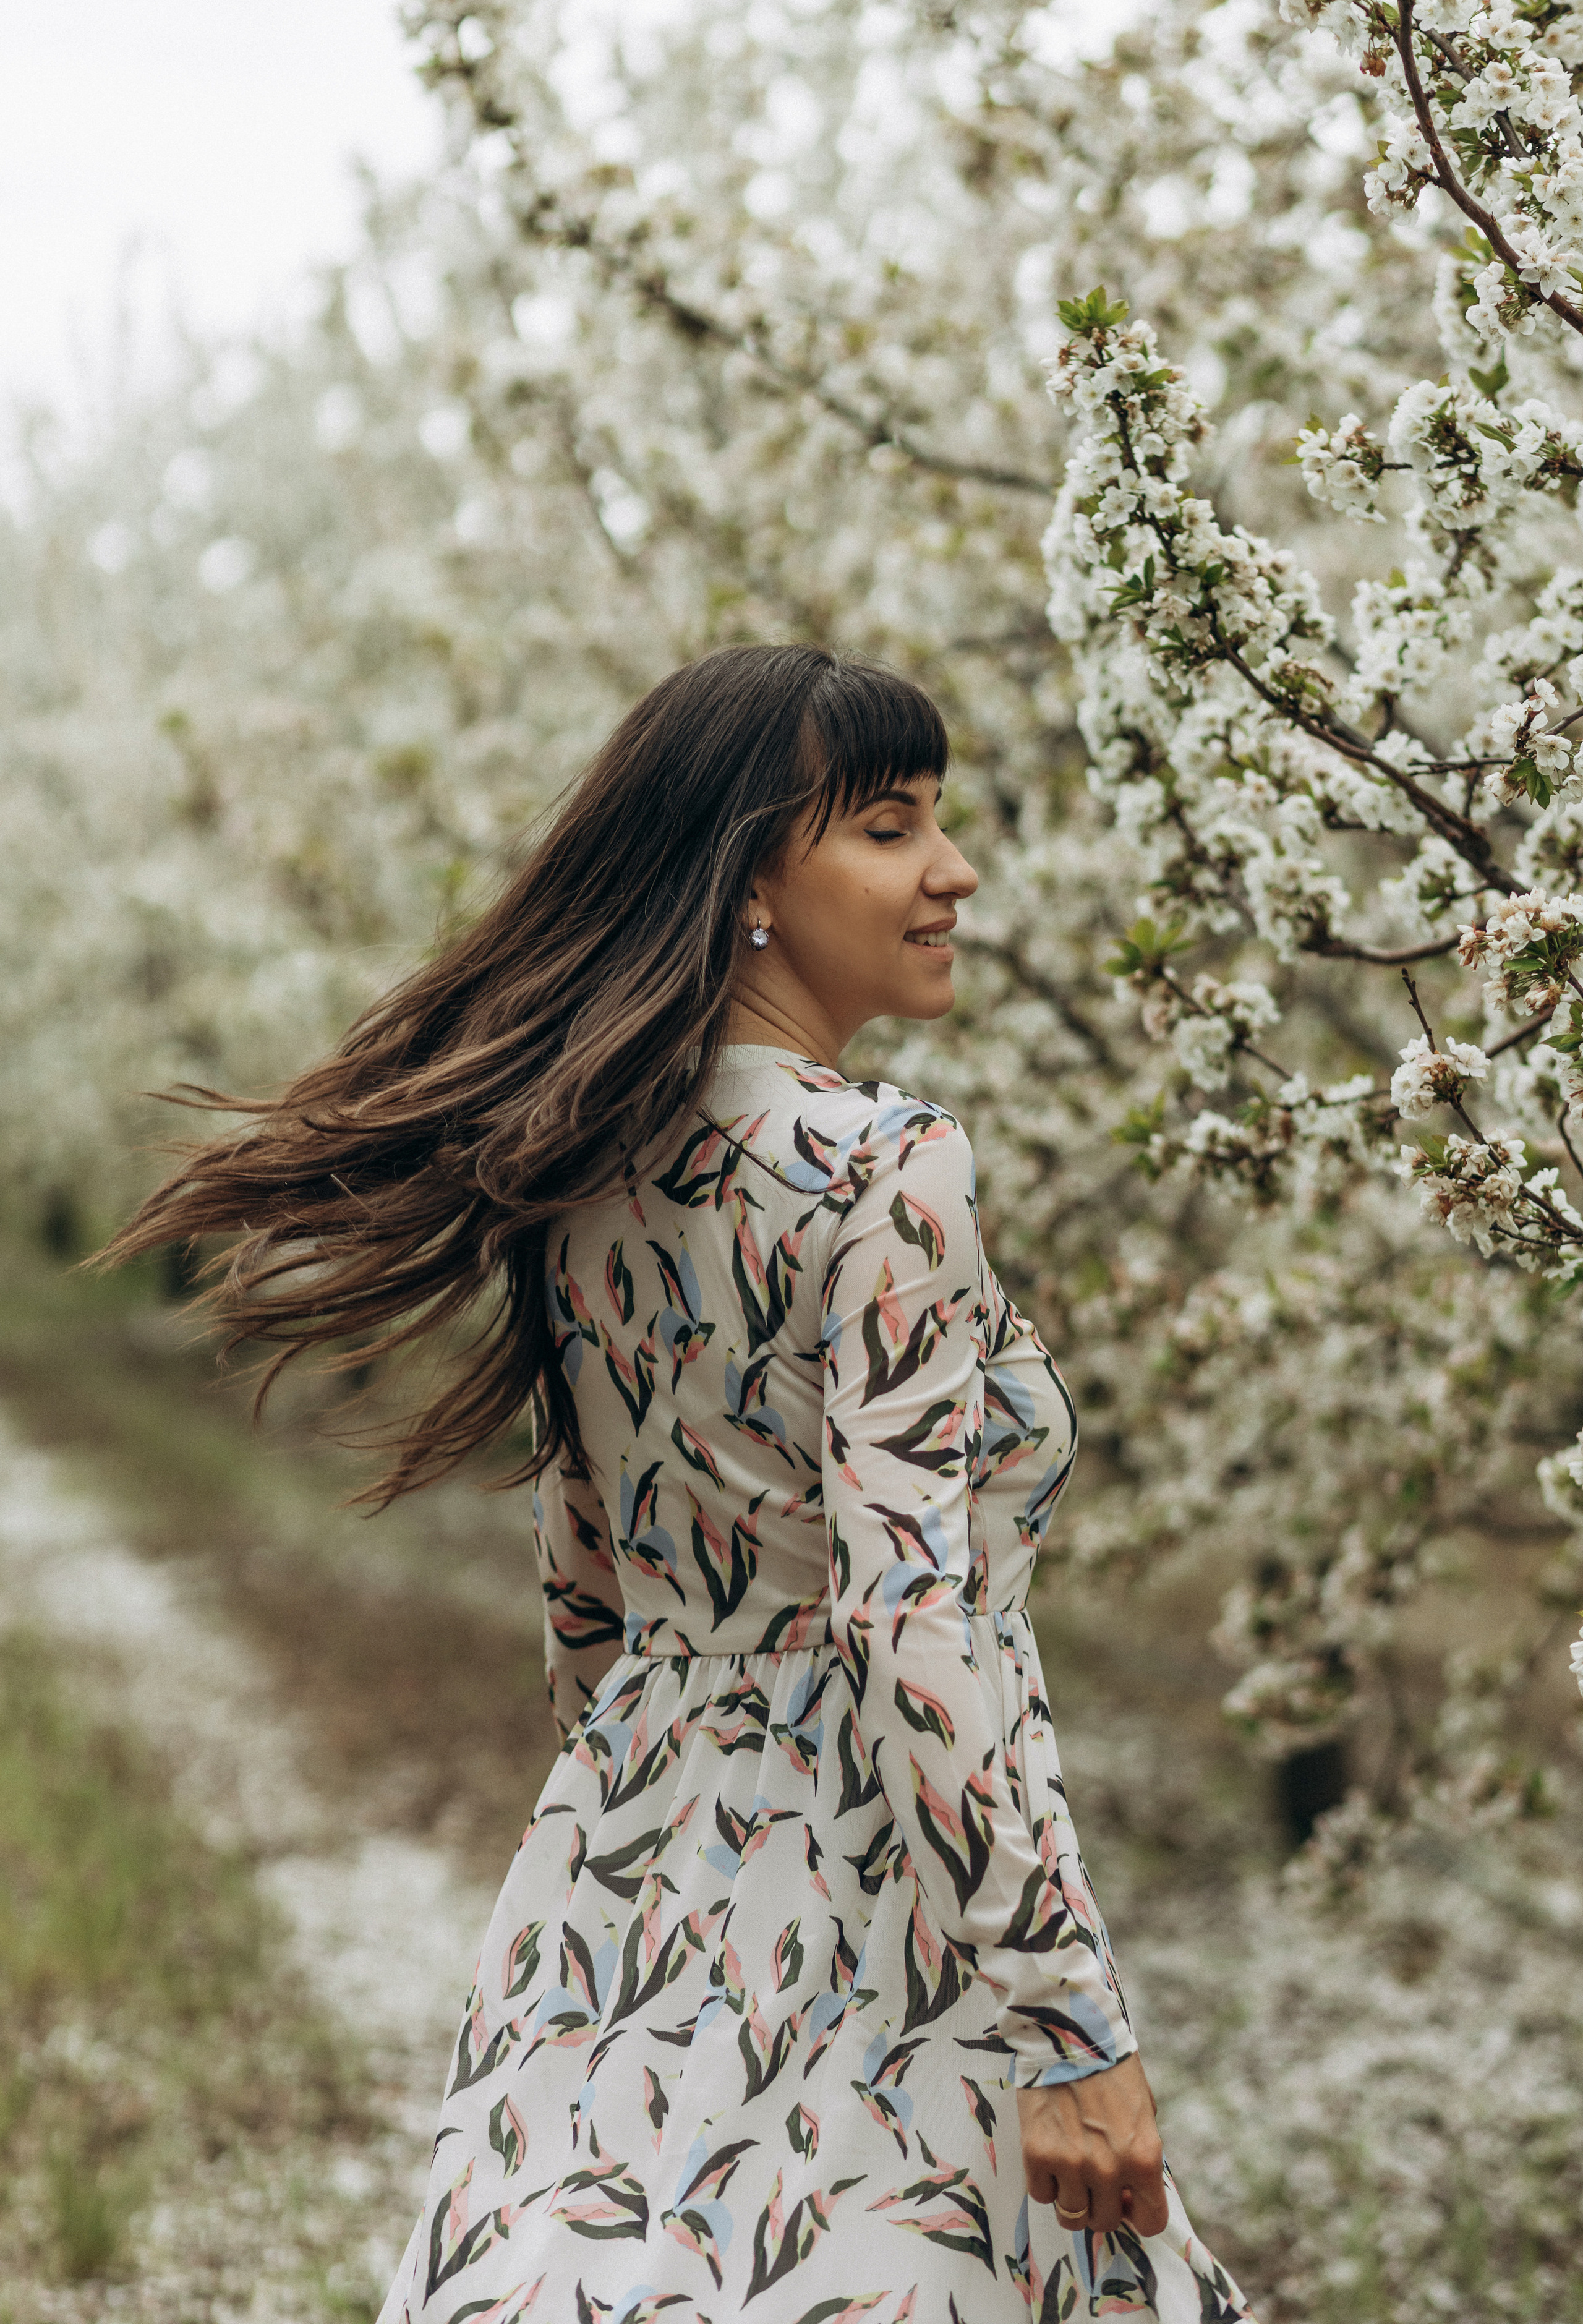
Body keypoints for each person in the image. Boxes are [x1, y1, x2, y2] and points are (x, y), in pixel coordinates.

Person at [106, 646, 1257, 2322]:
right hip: (889, 1893)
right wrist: (1068, 2022)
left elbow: (586, 1579)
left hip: (637, 1853)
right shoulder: (887, 1165)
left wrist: (650, 1852)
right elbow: (906, 1613)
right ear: (755, 883)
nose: (955, 870)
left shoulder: (582, 1164)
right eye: (889, 826)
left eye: (938, 820)